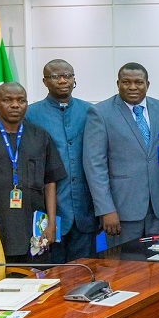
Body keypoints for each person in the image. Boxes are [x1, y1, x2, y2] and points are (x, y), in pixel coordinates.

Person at [0, 82, 66, 263]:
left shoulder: (40, 135)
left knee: (37, 278)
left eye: (21, 100)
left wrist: (51, 224)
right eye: (7, 100)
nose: (15, 105)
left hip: (32, 222)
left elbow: (50, 181)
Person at [83, 63, 159, 248]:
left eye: (138, 82)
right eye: (126, 82)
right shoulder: (100, 113)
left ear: (148, 84)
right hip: (121, 211)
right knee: (127, 269)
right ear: (118, 84)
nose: (133, 87)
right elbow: (95, 165)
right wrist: (106, 209)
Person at [26, 60, 98, 263]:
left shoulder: (90, 111)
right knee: (52, 276)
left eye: (68, 76)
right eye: (56, 76)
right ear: (44, 81)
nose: (63, 80)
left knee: (85, 273)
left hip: (85, 211)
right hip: (48, 211)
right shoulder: (31, 114)